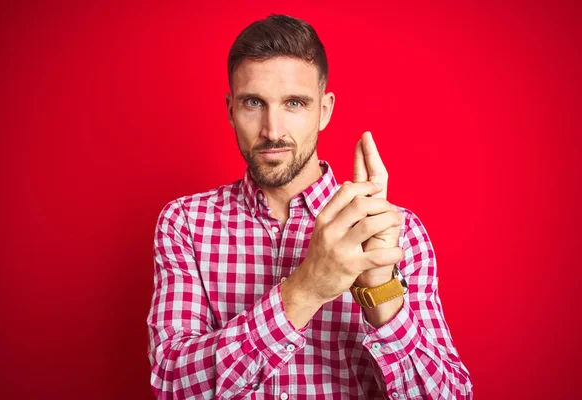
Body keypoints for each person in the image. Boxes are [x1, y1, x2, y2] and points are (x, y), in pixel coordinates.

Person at [147, 14, 472, 399]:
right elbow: (172, 384)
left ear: (325, 110)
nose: (272, 130)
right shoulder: (185, 222)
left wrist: (382, 293)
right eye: (254, 102)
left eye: (294, 103)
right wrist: (307, 288)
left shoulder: (392, 231)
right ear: (230, 109)